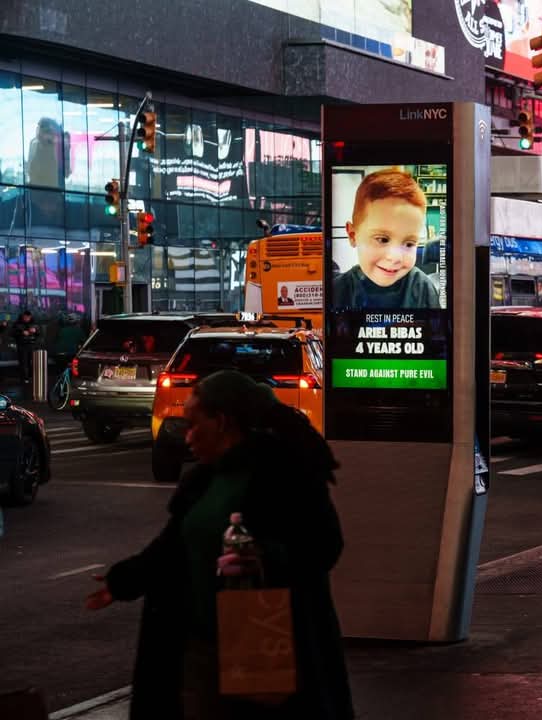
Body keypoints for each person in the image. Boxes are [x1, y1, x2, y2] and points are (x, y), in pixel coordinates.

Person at [86, 371, 354, 720]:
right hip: (201, 647)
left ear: (223, 422)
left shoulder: (285, 474)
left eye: (194, 425)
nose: (188, 437)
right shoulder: (202, 479)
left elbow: (324, 545)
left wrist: (267, 557)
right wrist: (122, 580)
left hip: (266, 646)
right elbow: (174, 546)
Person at [332, 168, 440, 310]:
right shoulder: (338, 291)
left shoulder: (423, 289)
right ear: (353, 235)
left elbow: (435, 330)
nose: (395, 258)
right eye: (382, 240)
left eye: (409, 244)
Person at [12, 310, 40, 384]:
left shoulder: (34, 324)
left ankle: (30, 377)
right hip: (22, 346)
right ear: (22, 317)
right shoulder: (17, 324)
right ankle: (25, 378)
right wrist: (22, 332)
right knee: (23, 363)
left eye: (28, 317)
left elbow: (40, 333)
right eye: (25, 317)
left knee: (32, 362)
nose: (27, 318)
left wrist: (35, 331)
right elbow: (12, 333)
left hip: (32, 345)